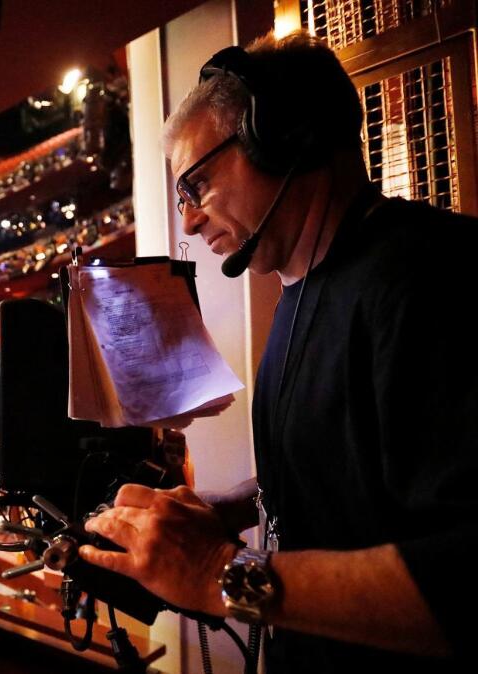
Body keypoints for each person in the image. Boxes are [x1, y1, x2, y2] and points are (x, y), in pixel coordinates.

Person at [80, 31, 477, 671]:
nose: (188, 220)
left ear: (286, 136)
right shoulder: (304, 290)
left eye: (198, 184)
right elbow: (365, 462)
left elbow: (471, 579)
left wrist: (217, 572)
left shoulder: (436, 278)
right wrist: (237, 506)